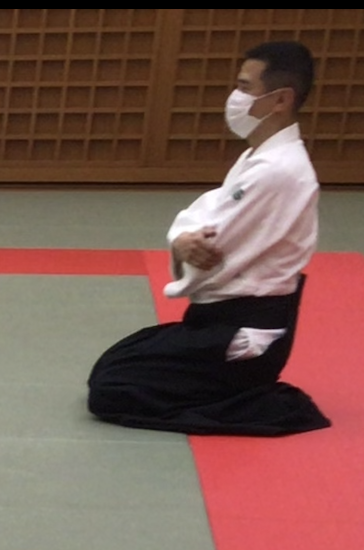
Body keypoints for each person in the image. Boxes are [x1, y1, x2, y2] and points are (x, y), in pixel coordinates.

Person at [87, 41, 329, 435]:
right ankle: (226, 383)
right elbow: (208, 209)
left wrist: (188, 244)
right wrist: (183, 237)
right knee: (115, 362)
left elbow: (214, 250)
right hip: (217, 321)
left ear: (281, 99)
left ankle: (260, 401)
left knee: (111, 391)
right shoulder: (260, 158)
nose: (235, 97)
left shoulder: (279, 171)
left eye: (245, 87)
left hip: (246, 335)